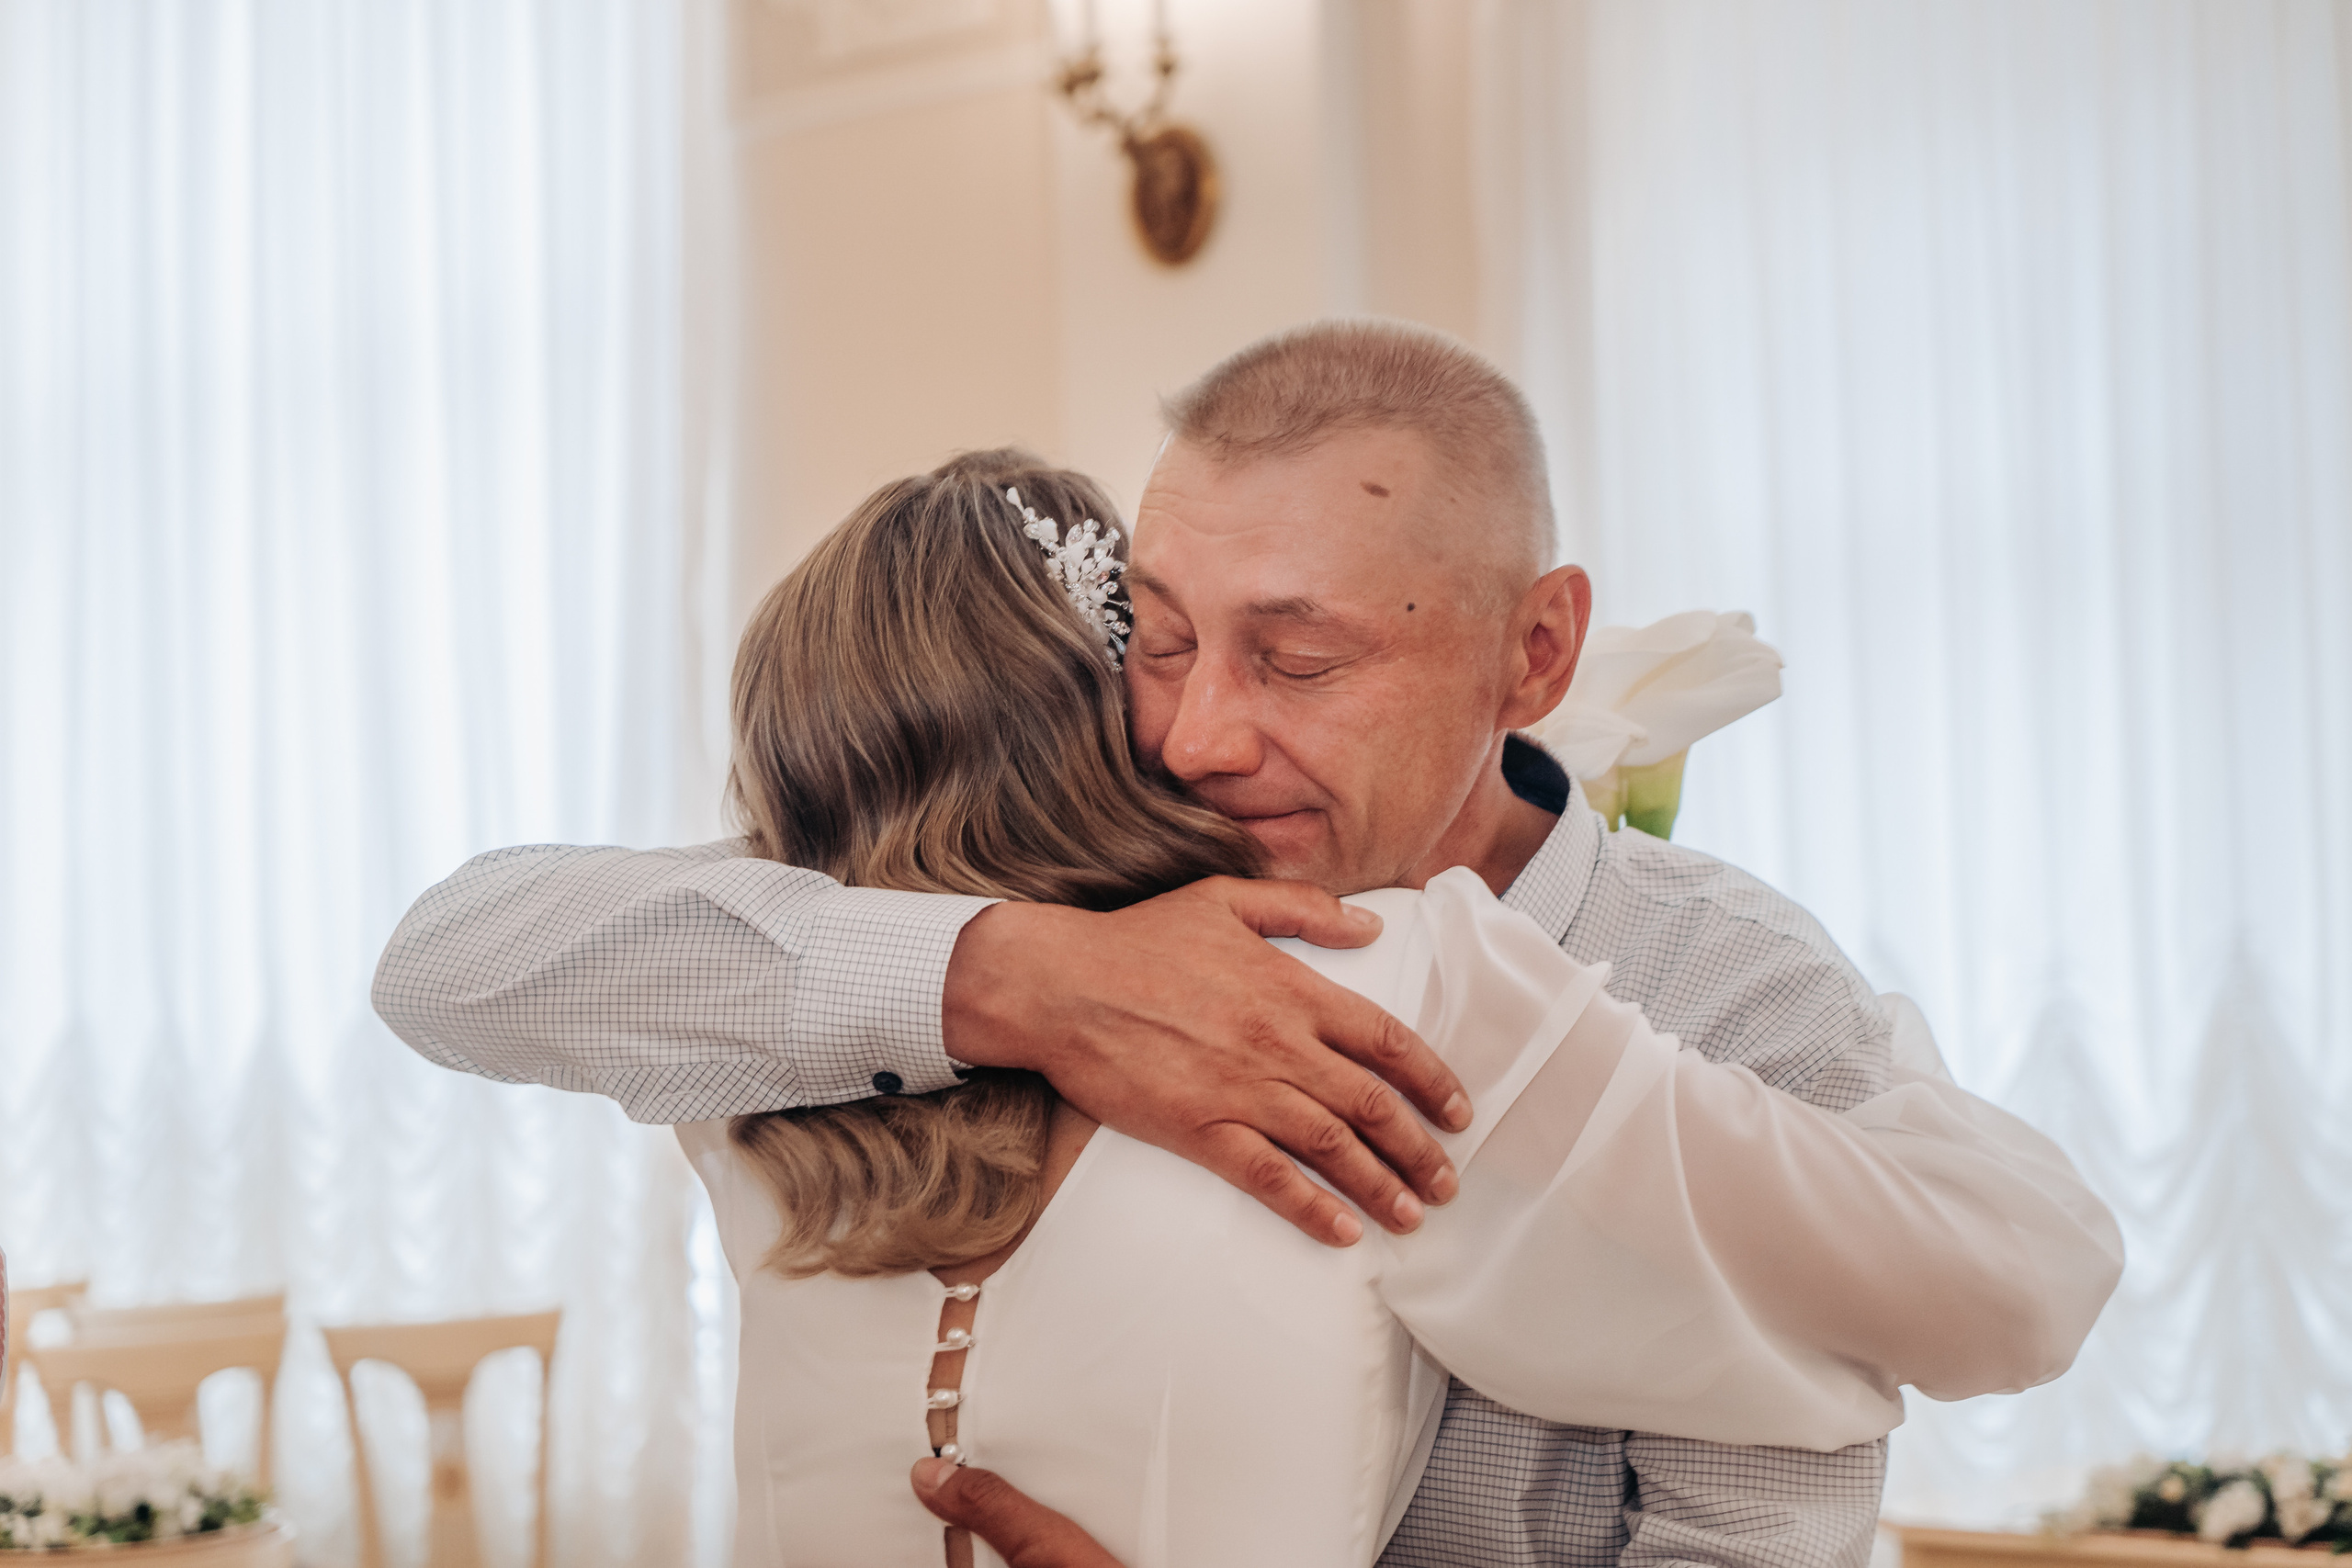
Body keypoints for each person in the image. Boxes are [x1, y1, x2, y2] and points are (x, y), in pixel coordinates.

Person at [374, 321, 2122, 1568]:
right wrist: (1010, 976)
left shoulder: (1722, 992)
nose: (1199, 734)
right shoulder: (1118, 899)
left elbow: (1760, 1530)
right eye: (1166, 640)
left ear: (1533, 656)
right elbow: (462, 958)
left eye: (1295, 660)